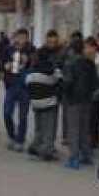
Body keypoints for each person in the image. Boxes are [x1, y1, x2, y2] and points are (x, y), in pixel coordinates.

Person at [61, 37, 99, 169]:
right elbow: (95, 82)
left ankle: (73, 158)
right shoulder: (90, 63)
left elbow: (67, 82)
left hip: (73, 100)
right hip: (87, 99)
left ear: (71, 50)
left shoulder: (70, 63)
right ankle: (87, 155)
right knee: (84, 129)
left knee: (73, 129)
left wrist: (62, 92)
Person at [25, 30, 63, 161]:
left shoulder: (37, 56)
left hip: (36, 98)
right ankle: (47, 150)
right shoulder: (53, 59)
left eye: (54, 42)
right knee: (49, 126)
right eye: (50, 41)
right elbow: (57, 78)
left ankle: (36, 146)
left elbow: (29, 77)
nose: (52, 44)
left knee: (40, 125)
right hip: (49, 98)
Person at [2, 28, 34, 152]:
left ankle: (20, 140)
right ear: (15, 38)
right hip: (11, 84)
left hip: (25, 87)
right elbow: (2, 63)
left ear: (27, 39)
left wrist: (29, 60)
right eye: (19, 37)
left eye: (24, 38)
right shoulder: (8, 49)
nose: (21, 40)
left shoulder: (31, 50)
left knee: (23, 116)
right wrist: (5, 66)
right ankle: (11, 135)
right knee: (7, 112)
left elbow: (35, 64)